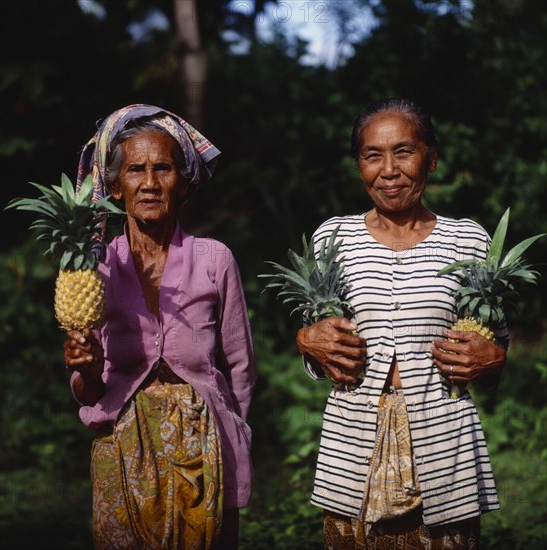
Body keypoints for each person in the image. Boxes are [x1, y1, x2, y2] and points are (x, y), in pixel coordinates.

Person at [296, 98, 508, 549]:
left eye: (404, 152)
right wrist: (306, 340)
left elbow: (492, 342)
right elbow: (318, 341)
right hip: (353, 437)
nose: (388, 170)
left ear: (431, 158)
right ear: (359, 165)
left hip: (444, 436)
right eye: (373, 155)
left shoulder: (468, 238)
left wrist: (494, 357)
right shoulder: (332, 237)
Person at [63, 104, 257, 549]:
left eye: (163, 168)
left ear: (184, 181)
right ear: (114, 186)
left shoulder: (215, 258)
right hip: (123, 447)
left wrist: (232, 435)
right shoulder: (93, 266)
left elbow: (241, 365)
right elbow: (87, 387)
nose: (149, 183)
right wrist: (86, 370)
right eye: (135, 170)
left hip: (205, 443)